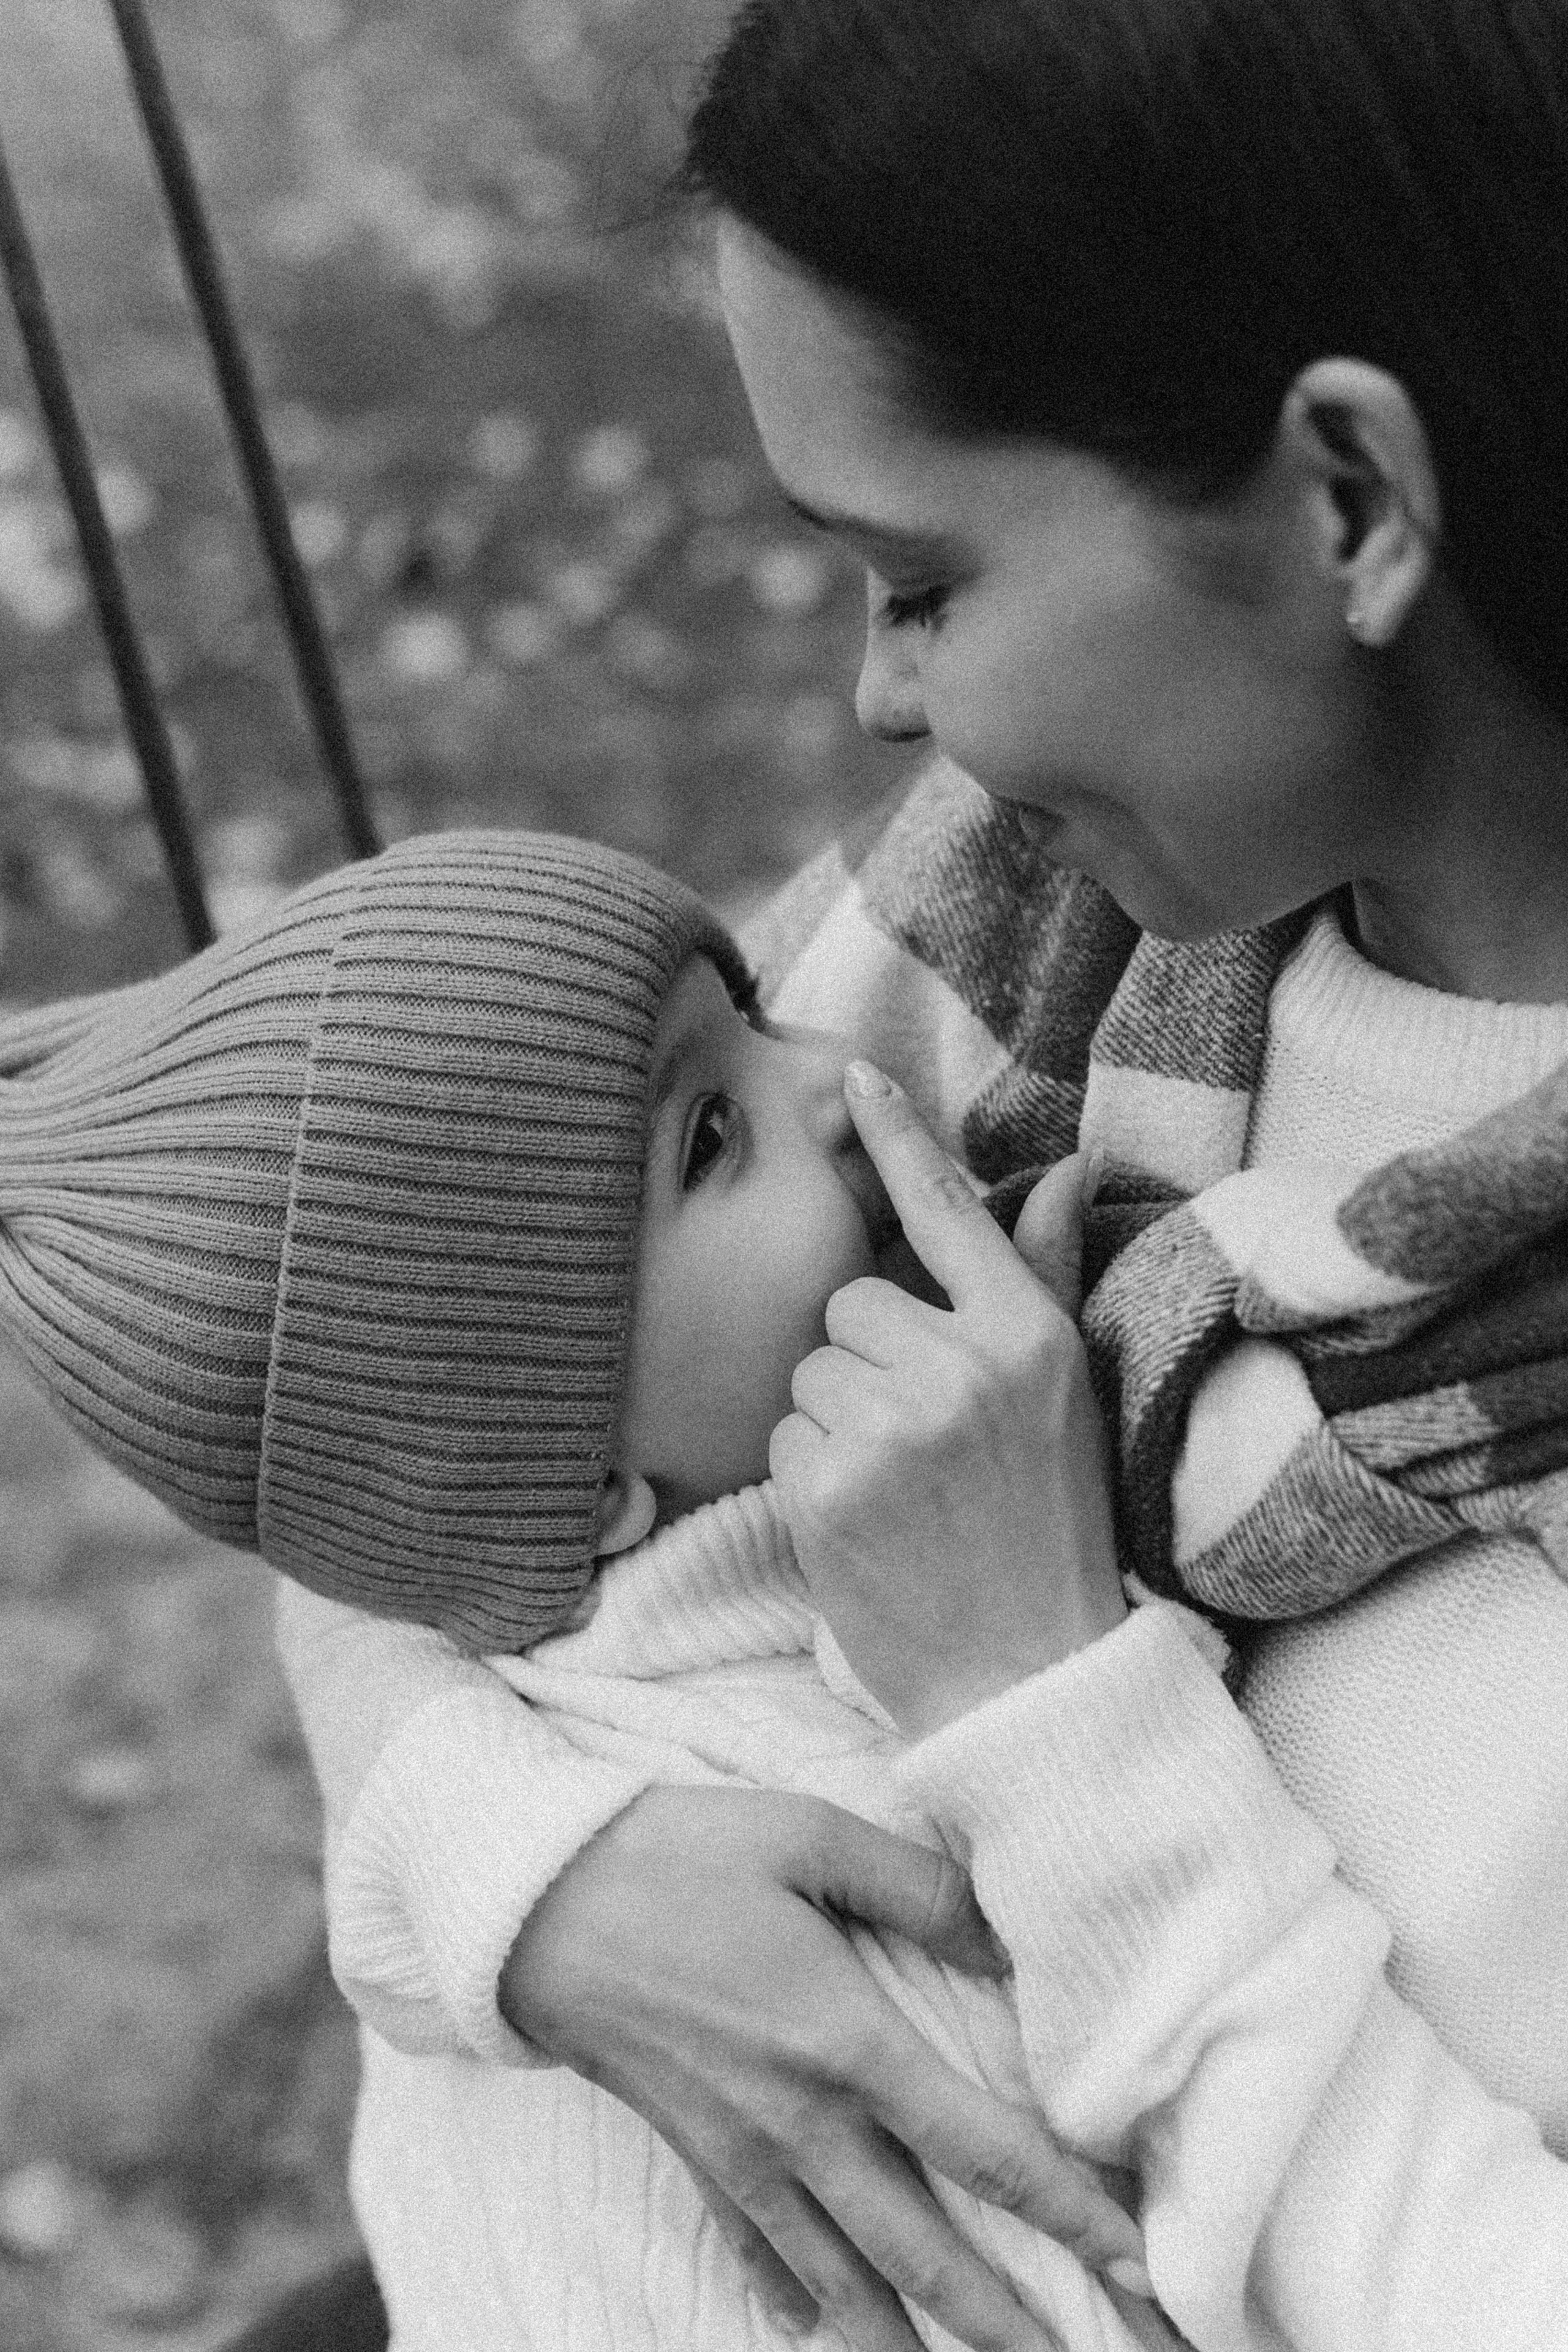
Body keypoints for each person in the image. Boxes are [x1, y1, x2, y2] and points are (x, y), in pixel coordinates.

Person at [265, 3, 1568, 2348]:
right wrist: (527, 1871)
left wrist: (1044, 1702)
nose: (877, 699)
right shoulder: (1044, 911)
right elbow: (363, 1347)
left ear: (1351, 504)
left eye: (922, 577)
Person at [2, 823, 1385, 2352]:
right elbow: (1080, 2296)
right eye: (711, 1139)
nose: (839, 1073)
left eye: (757, 1014)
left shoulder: (534, 1680)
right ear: (573, 1480)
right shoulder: (822, 1842)